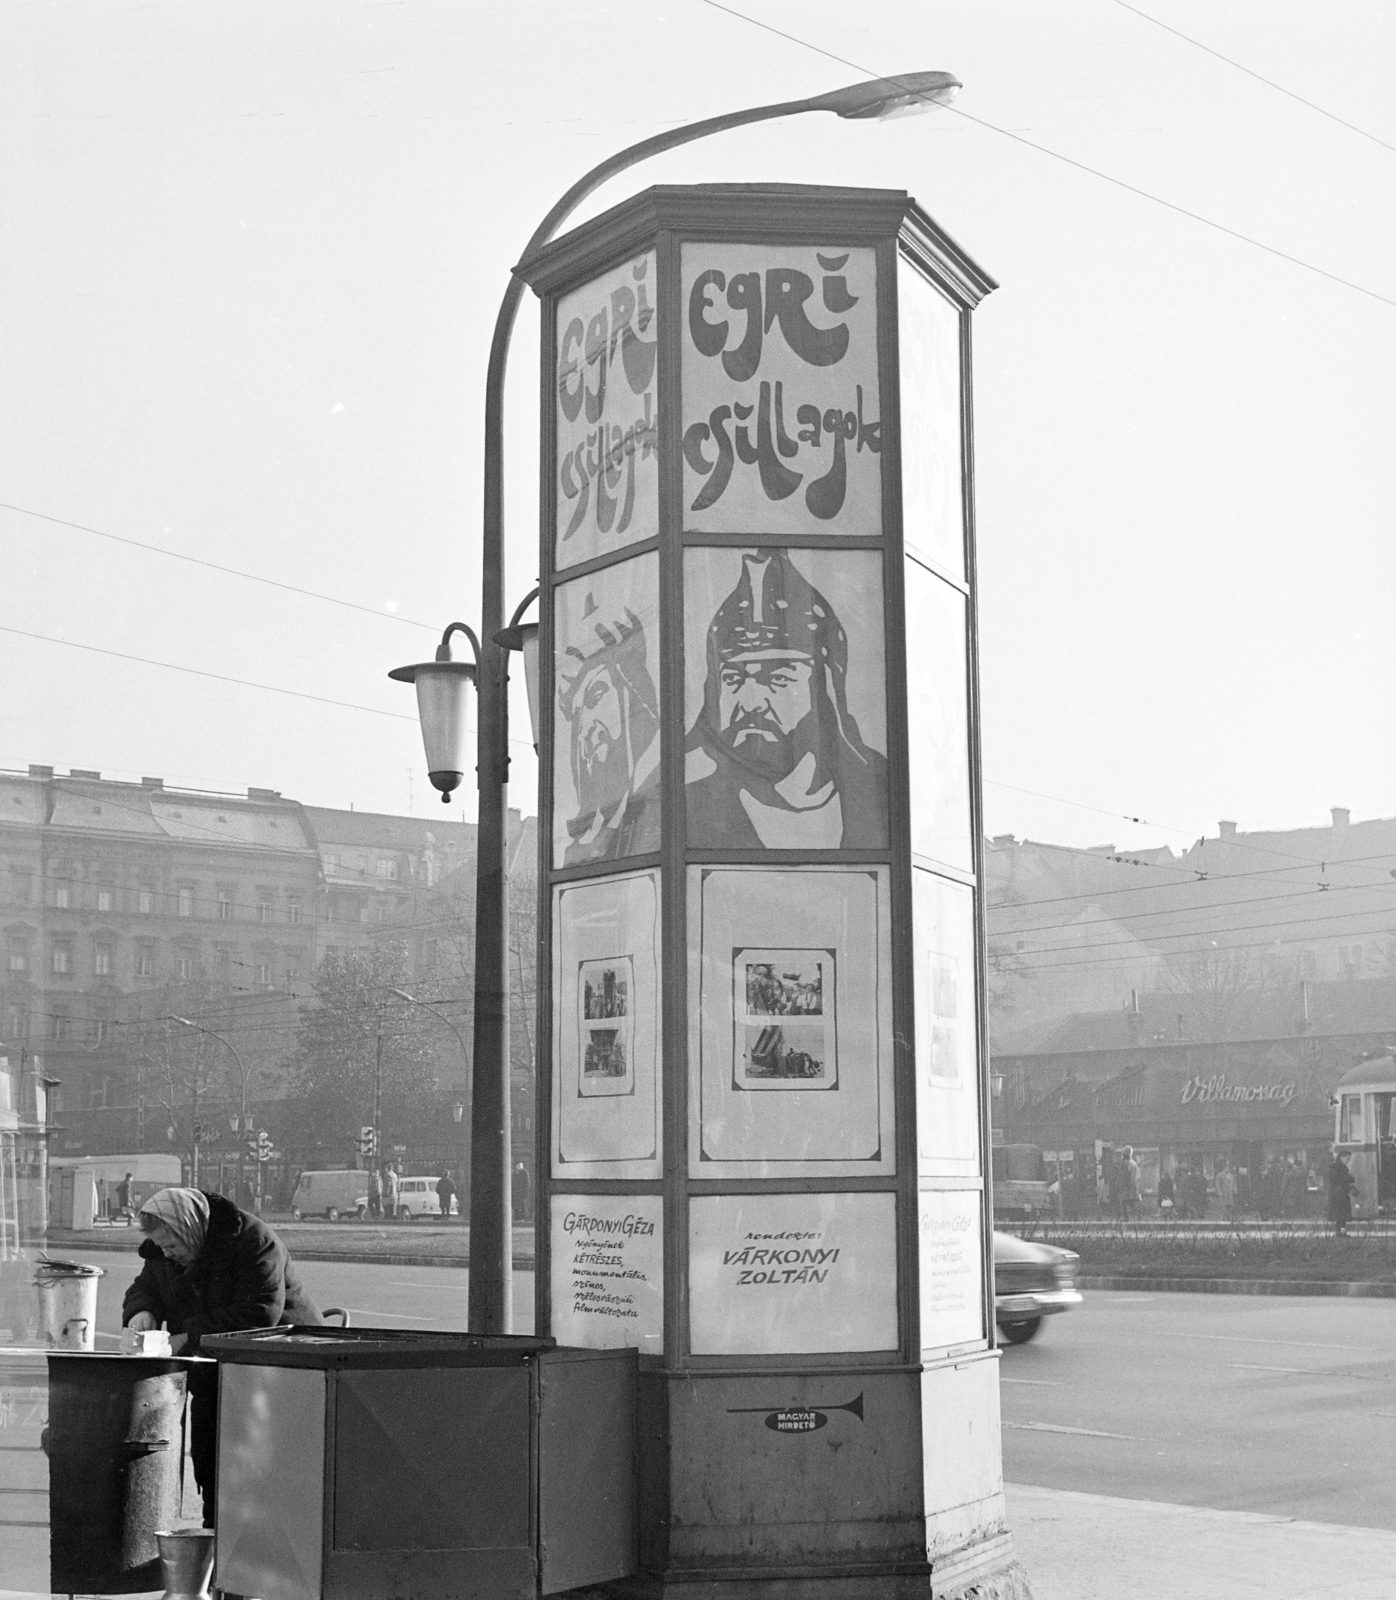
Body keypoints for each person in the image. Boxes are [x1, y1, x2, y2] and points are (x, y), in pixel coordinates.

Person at [121, 1187, 322, 1525]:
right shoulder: (164, 1253)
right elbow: (144, 1288)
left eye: (172, 1246)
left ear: (188, 1228)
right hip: (214, 1368)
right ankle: (218, 1540)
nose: (167, 1256)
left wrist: (189, 1337)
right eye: (161, 1248)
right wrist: (141, 1311)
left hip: (276, 1369)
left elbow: (258, 1315)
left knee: (260, 1473)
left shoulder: (253, 1241)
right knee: (212, 1461)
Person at [684, 549, 889, 849]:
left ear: (826, 686)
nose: (752, 703)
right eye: (733, 679)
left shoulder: (884, 791)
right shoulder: (690, 807)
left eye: (778, 678)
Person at [557, 601, 661, 864]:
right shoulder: (580, 843)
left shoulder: (662, 811)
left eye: (597, 695)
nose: (585, 731)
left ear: (634, 698)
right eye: (579, 715)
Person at [1327, 1150, 1356, 1237]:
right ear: (1341, 1157)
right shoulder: (1336, 1168)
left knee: (1342, 1213)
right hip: (1338, 1193)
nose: (1348, 1161)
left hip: (1341, 1192)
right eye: (1347, 1159)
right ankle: (1339, 1231)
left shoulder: (1338, 1167)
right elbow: (1339, 1180)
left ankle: (1341, 1231)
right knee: (1340, 1213)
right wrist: (1348, 1179)